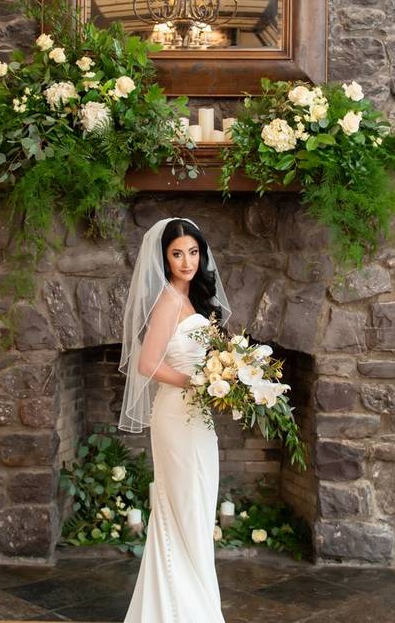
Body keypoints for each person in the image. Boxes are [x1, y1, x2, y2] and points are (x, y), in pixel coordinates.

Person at [119, 217, 231, 623]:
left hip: (196, 419)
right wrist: (197, 381)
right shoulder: (167, 300)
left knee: (197, 509)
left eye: (193, 253)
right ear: (164, 258)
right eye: (177, 254)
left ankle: (195, 605)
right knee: (182, 508)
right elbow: (146, 364)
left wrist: (222, 378)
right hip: (175, 414)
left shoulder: (194, 300)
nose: (187, 262)